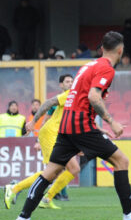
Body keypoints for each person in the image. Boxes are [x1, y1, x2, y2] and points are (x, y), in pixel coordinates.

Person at [12, 32, 131, 220]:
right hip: (81, 124)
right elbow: (93, 97)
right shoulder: (106, 69)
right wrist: (111, 122)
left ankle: (22, 218)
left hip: (66, 124)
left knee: (51, 171)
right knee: (121, 161)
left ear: (101, 48)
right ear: (121, 50)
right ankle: (129, 214)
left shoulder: (89, 65)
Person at [5, 75, 83, 210]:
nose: (71, 84)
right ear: (61, 84)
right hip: (51, 134)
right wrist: (36, 131)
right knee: (52, 172)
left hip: (61, 136)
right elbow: (48, 110)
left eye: (72, 81)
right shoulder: (69, 95)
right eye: (67, 81)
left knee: (71, 169)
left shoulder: (78, 98)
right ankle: (15, 188)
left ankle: (47, 198)